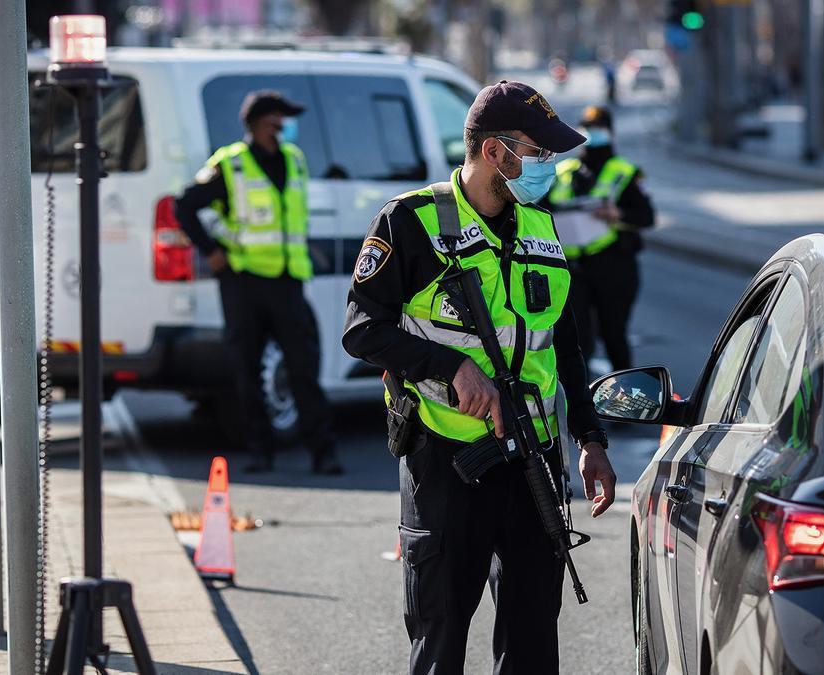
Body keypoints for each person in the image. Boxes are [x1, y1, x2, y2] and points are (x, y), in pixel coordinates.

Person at [342, 81, 616, 674]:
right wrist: (451, 367)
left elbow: (565, 344)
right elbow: (362, 329)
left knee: (533, 645)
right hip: (446, 460)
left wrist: (591, 440)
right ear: (496, 151)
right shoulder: (411, 222)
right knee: (440, 642)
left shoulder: (542, 225)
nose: (548, 166)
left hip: (533, 460)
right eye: (538, 153)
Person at [175, 90, 342, 475]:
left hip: (287, 280)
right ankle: (260, 451)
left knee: (304, 367)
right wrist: (211, 252)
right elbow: (184, 205)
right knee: (247, 370)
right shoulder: (230, 165)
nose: (282, 128)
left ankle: (323, 451)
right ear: (258, 123)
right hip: (243, 281)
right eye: (276, 120)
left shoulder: (294, 160)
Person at [543, 105, 655, 372]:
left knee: (614, 335)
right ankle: (581, 401)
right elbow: (542, 210)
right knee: (576, 340)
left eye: (598, 129)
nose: (593, 134)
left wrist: (617, 214)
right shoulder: (564, 171)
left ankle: (628, 398)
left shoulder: (625, 171)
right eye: (587, 129)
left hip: (612, 266)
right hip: (573, 268)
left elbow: (646, 216)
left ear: (610, 133)